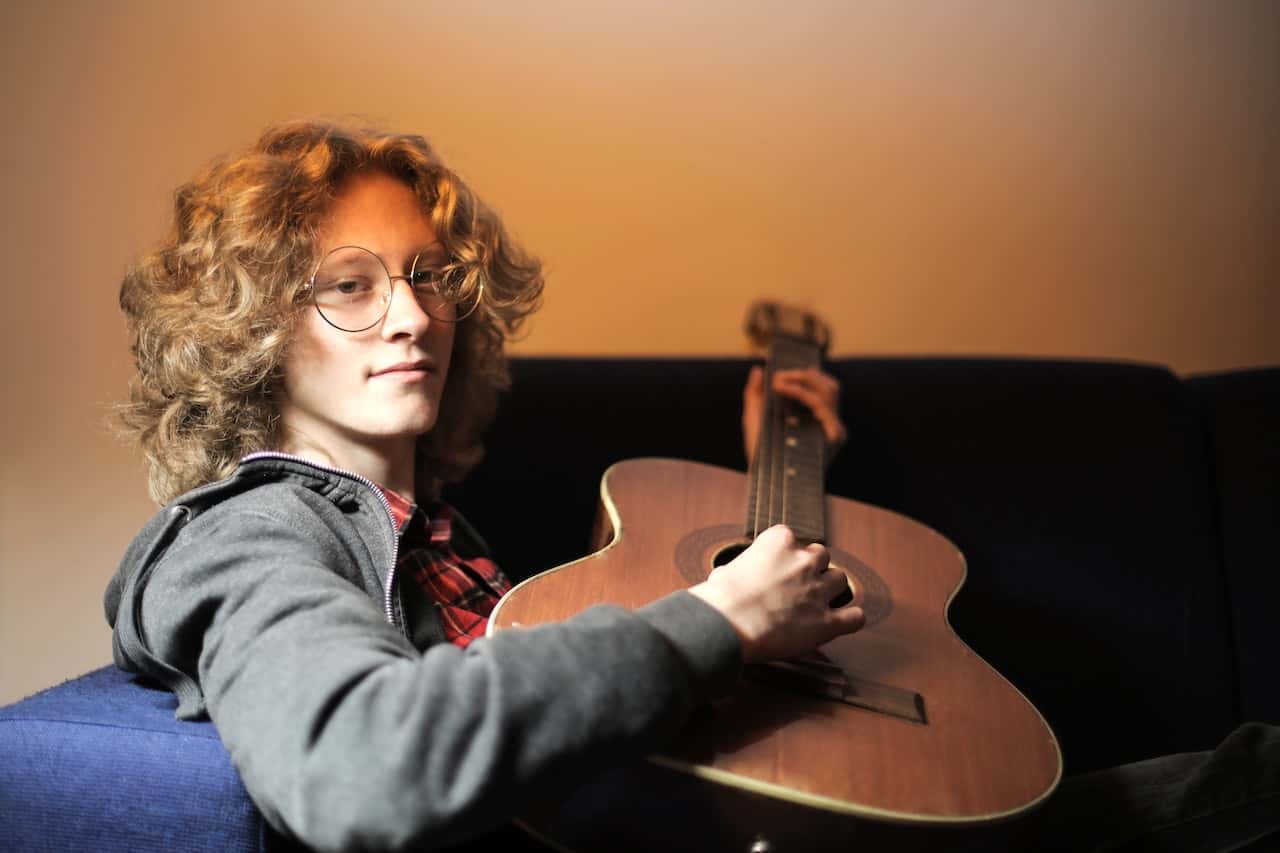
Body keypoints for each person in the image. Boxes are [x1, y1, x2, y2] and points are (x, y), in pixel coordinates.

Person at [104, 118, 863, 851]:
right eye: (349, 285)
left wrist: (774, 474)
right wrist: (720, 619)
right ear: (254, 333)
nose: (413, 316)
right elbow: (361, 764)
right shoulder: (243, 536)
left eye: (430, 276)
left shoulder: (428, 533)